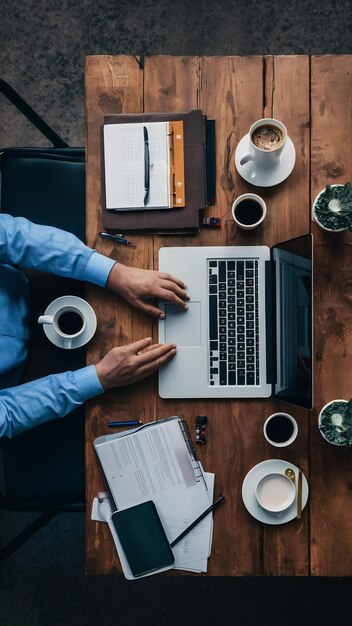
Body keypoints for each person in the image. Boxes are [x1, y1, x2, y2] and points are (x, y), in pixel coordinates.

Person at [0, 214, 189, 438]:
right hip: (32, 382)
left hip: (39, 275)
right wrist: (100, 378)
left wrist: (116, 274)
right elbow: (8, 413)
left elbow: (11, 236)